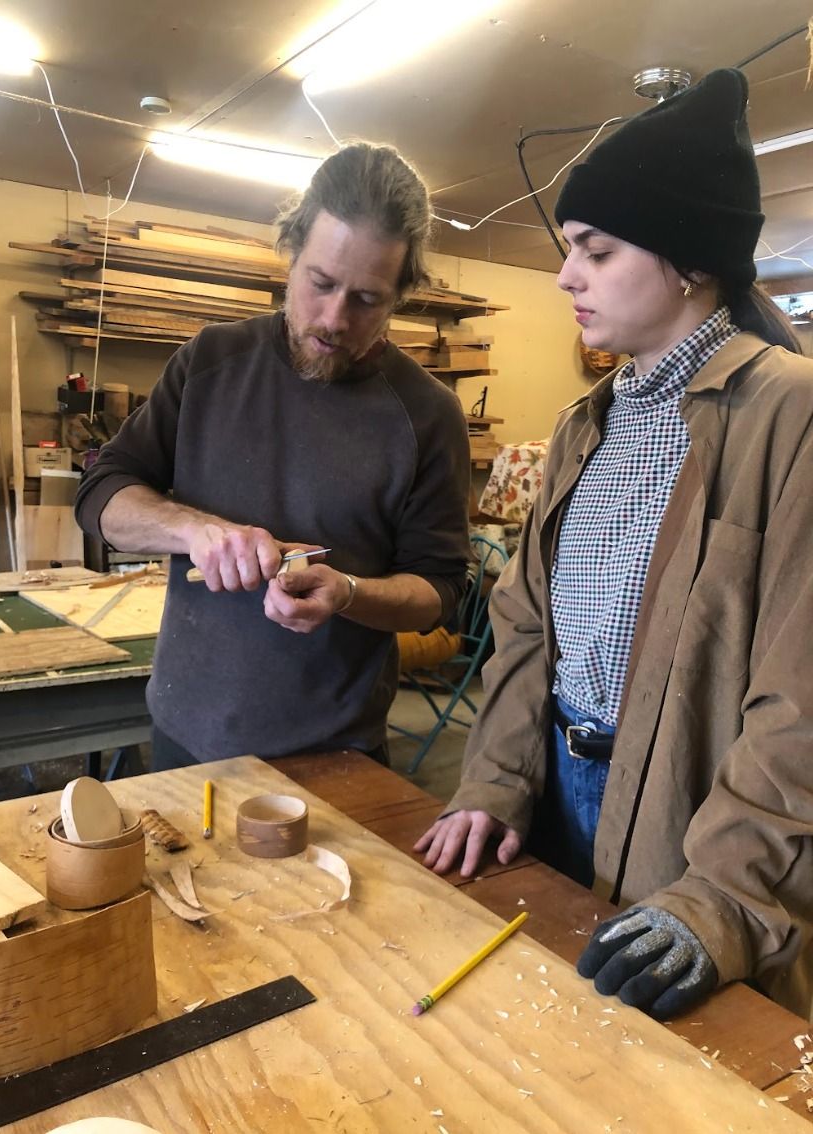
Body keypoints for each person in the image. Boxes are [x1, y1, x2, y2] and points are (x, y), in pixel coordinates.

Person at [416, 69, 813, 1023]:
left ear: (688, 262)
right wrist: (496, 780)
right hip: (552, 794)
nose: (565, 274)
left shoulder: (789, 416)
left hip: (692, 823)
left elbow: (801, 705)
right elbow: (523, 630)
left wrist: (720, 899)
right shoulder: (583, 425)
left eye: (595, 250)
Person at [75, 142, 471, 769]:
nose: (335, 318)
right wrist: (196, 530)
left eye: (367, 299)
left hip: (336, 752)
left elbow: (442, 591)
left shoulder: (428, 415)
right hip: (186, 730)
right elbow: (100, 493)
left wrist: (348, 592)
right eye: (320, 283)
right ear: (290, 256)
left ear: (401, 293)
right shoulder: (210, 361)